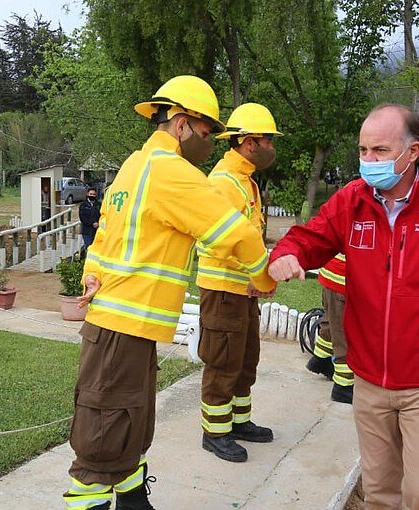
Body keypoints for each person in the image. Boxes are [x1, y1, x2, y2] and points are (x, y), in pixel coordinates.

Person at [268, 103, 419, 510]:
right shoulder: (352, 203)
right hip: (370, 379)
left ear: (412, 152)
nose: (368, 161)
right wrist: (286, 254)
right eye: (363, 151)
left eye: (379, 151)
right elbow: (310, 237)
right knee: (379, 493)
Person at [62, 75, 276, 510]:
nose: (210, 142)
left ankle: (134, 499)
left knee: (129, 422)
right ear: (180, 124)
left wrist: (92, 273)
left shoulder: (133, 165)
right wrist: (266, 277)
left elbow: (105, 235)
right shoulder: (170, 172)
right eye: (205, 132)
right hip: (123, 324)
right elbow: (234, 233)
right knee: (102, 438)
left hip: (124, 323)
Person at [194, 103, 281, 463]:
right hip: (225, 290)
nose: (271, 148)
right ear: (247, 142)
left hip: (244, 291)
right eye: (267, 140)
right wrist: (255, 274)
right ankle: (215, 432)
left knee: (246, 360)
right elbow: (218, 239)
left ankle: (238, 421)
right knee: (223, 362)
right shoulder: (223, 182)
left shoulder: (245, 181)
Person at [303, 253, 355, 404]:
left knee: (331, 321)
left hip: (332, 275)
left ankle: (321, 360)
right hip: (344, 280)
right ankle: (343, 387)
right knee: (343, 334)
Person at [79, 187, 101, 252]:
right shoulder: (83, 205)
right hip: (87, 230)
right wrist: (92, 223)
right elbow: (82, 217)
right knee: (88, 246)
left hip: (97, 230)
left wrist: (98, 223)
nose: (92, 196)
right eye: (90, 194)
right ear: (87, 194)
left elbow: (102, 215)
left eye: (94, 194)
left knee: (96, 248)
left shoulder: (99, 205)